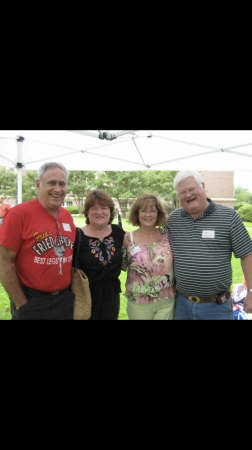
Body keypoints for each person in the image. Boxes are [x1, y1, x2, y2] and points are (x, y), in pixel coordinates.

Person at [167, 170, 252, 320]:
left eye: (192, 189)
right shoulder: (174, 219)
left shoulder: (229, 217)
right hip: (181, 305)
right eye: (182, 192)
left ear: (203, 186)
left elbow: (247, 254)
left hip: (216, 307)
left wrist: (251, 291)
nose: (188, 195)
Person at [0, 162, 76, 320]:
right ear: (38, 184)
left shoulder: (66, 216)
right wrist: (21, 303)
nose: (57, 189)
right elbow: (3, 260)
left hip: (64, 301)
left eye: (62, 184)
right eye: (51, 183)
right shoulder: (19, 214)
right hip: (32, 301)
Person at [122, 194, 175, 320]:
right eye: (144, 210)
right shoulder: (128, 239)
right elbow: (121, 266)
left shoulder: (167, 236)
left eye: (152, 210)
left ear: (158, 213)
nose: (148, 215)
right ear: (137, 213)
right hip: (139, 303)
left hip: (167, 300)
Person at [78, 189, 125, 320]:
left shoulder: (118, 233)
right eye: (94, 208)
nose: (99, 212)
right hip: (85, 296)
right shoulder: (78, 236)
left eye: (104, 208)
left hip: (111, 295)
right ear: (87, 212)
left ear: (110, 211)